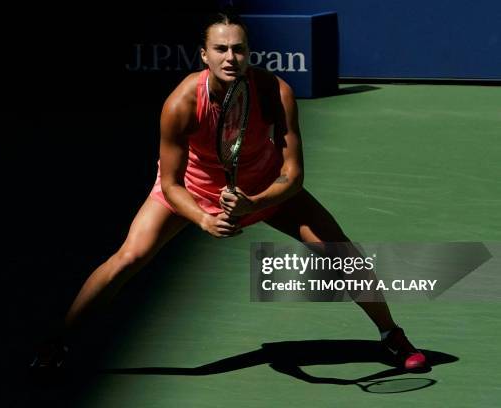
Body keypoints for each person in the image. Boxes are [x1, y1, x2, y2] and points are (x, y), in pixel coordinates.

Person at [30, 11, 427, 372]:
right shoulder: (181, 103)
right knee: (128, 257)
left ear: (250, 53)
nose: (230, 57)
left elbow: (293, 174)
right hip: (192, 189)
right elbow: (170, 182)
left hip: (265, 187)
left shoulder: (276, 92)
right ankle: (56, 343)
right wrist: (203, 216)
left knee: (340, 253)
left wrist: (256, 202)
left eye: (238, 49)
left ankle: (391, 334)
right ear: (204, 55)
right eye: (220, 49)